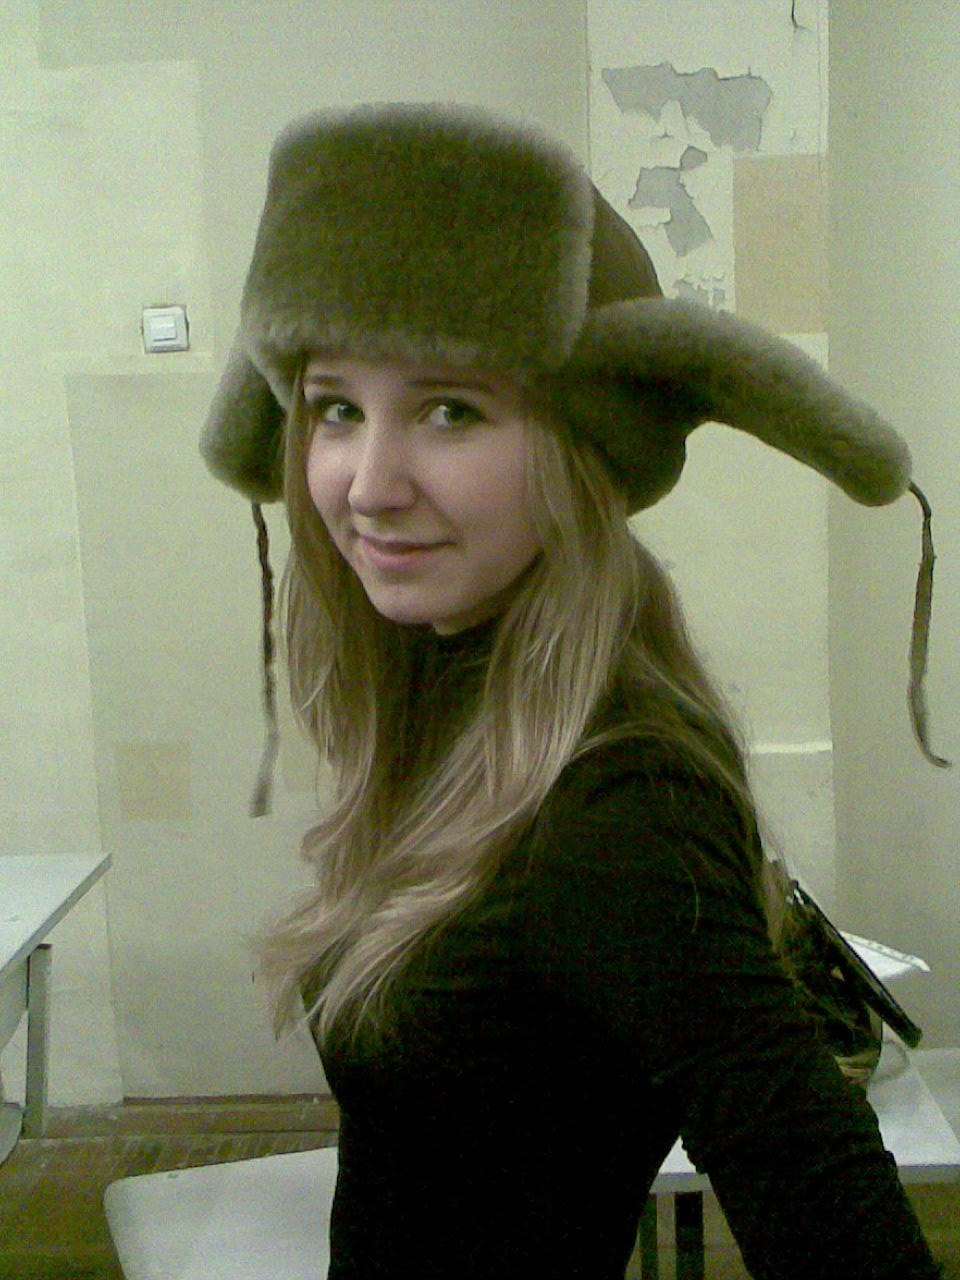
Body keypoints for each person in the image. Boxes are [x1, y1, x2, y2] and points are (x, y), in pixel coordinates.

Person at [202, 104, 943, 1279]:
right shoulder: (452, 687)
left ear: (580, 445)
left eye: (451, 408)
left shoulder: (620, 804)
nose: (368, 483)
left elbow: (834, 1213)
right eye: (337, 405)